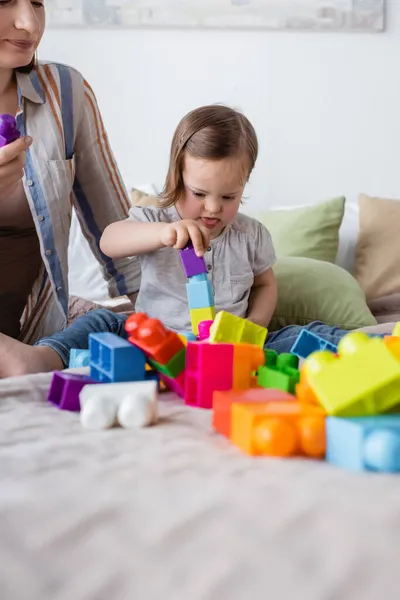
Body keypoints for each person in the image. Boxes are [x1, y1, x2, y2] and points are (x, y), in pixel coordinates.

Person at [2, 103, 383, 377]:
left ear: (244, 184)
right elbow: (110, 241)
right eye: (199, 194)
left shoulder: (250, 234)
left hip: (227, 349)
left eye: (229, 196)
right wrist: (162, 234)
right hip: (153, 340)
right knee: (105, 320)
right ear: (176, 178)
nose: (212, 209)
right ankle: (42, 359)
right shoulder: (156, 220)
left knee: (301, 336)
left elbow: (266, 283)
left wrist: (255, 325)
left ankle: (380, 349)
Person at [0, 0, 140, 376]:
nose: (29, 23)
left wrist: (163, 314)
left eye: (38, 3)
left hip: (36, 335)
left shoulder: (64, 91)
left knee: (115, 325)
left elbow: (114, 227)